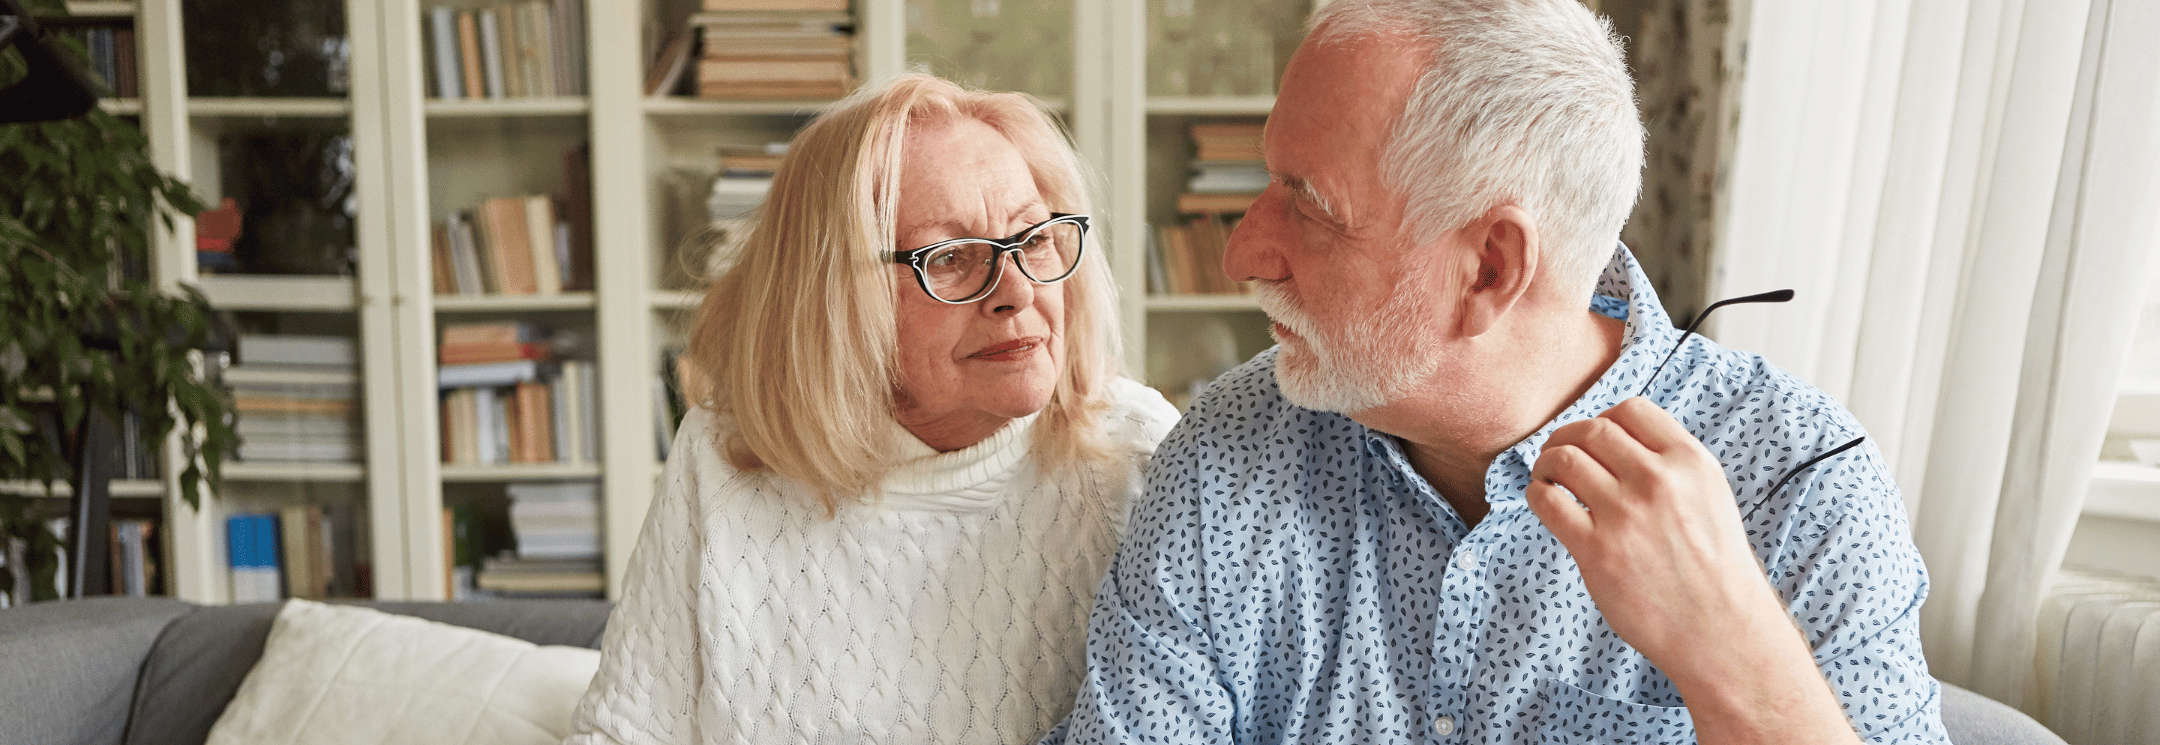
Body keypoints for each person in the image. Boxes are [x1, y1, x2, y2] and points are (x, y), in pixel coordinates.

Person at [1049, 1, 1947, 744]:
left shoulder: (1803, 489)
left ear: (1488, 269)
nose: (1244, 250)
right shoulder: (1228, 452)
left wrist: (1733, 655)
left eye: (1309, 206)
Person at [565, 74, 1179, 745]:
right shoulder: (722, 457)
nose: (1016, 291)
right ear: (833, 295)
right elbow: (626, 730)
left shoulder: (1143, 455)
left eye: (1032, 238)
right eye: (949, 257)